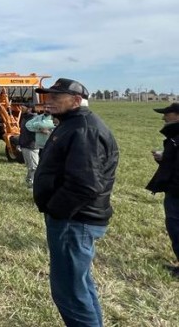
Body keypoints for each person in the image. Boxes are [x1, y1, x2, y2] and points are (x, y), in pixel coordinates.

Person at [34, 78, 119, 327]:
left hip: (74, 221)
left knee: (70, 292)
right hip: (74, 219)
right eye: (47, 96)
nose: (48, 102)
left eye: (55, 97)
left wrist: (55, 210)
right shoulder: (73, 125)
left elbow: (84, 184)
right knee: (80, 286)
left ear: (75, 100)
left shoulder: (84, 129)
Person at [146, 102, 179, 277]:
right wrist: (163, 158)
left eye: (167, 113)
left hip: (176, 192)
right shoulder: (175, 137)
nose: (163, 117)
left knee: (176, 226)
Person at [18, 104, 40, 188]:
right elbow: (22, 132)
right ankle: (29, 181)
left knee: (34, 166)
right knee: (29, 165)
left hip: (31, 146)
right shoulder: (25, 118)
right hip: (24, 145)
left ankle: (32, 185)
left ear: (30, 109)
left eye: (23, 107)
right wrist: (20, 143)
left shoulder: (35, 119)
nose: (21, 109)